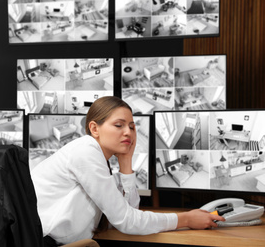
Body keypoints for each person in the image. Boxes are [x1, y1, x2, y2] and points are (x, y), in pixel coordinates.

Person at [31, 96, 225, 246]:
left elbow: (129, 211)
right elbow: (126, 221)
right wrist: (186, 218)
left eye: (131, 127)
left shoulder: (101, 160)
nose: (128, 132)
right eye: (119, 125)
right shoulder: (85, 151)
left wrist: (126, 162)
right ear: (94, 128)